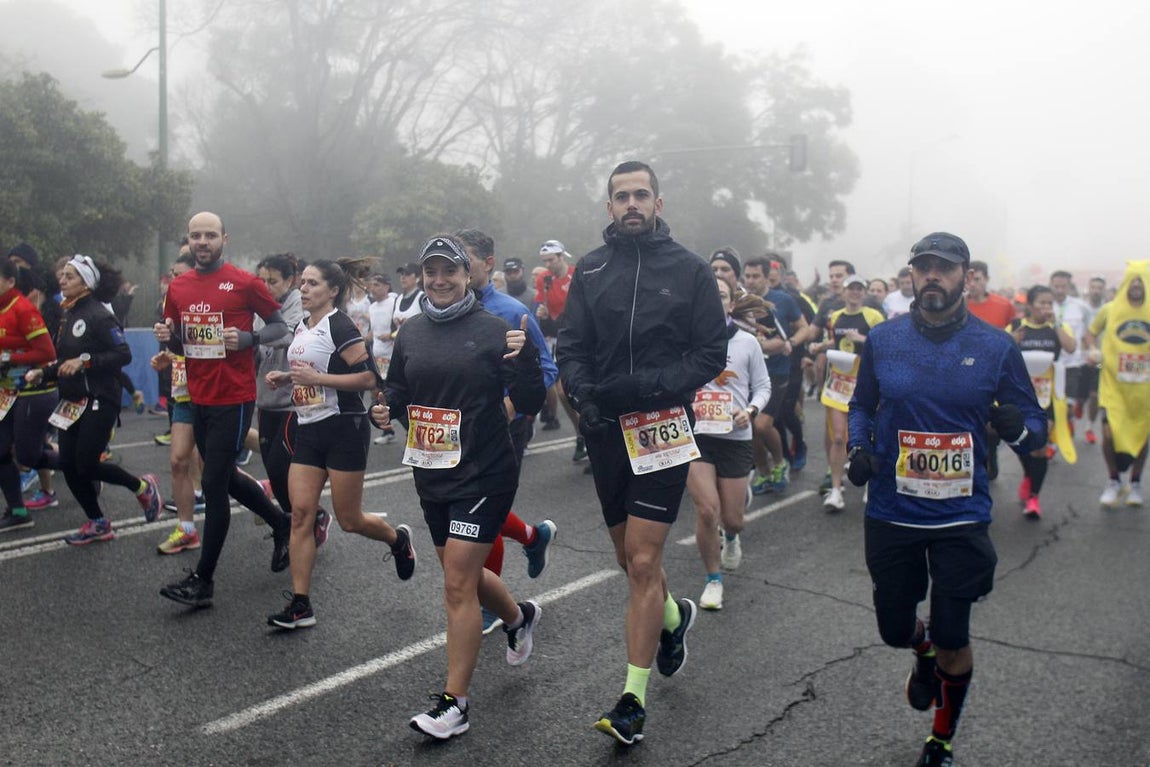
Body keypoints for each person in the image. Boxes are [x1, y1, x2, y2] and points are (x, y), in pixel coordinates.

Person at [846, 232, 1046, 767]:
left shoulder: (996, 346)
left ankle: (941, 739)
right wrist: (858, 448)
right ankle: (920, 649)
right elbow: (861, 406)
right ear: (912, 275)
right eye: (924, 267)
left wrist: (1018, 430)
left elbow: (1035, 425)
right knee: (893, 628)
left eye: (945, 268)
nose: (933, 276)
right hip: (893, 508)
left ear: (965, 277)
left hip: (961, 513)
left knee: (955, 634)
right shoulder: (885, 341)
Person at [557, 160, 727, 746]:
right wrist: (582, 394)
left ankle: (632, 699)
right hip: (604, 426)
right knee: (629, 564)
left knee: (645, 561)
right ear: (608, 206)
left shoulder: (689, 271)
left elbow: (709, 354)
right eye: (621, 196)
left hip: (660, 425)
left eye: (641, 194)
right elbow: (572, 344)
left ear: (658, 201)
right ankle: (674, 619)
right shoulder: (591, 268)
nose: (632, 204)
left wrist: (648, 387)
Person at [372, 234, 545, 740]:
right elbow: (399, 391)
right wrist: (384, 409)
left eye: (451, 271)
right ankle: (518, 617)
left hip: (485, 471)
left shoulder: (497, 329)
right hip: (432, 470)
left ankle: (457, 704)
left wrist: (525, 359)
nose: (441, 280)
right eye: (432, 272)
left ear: (468, 275)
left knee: (455, 584)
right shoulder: (412, 332)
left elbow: (532, 396)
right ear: (423, 276)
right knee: (458, 572)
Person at [265, 258, 416, 629]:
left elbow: (368, 379)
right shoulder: (303, 325)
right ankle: (301, 604)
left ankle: (397, 539)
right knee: (300, 514)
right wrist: (288, 377)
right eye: (302, 283)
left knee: (349, 520)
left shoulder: (340, 324)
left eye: (313, 283)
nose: (304, 288)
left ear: (332, 291)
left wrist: (318, 377)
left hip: (344, 428)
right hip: (308, 428)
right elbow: (313, 376)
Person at [154, 211, 294, 608]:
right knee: (224, 477)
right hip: (196, 395)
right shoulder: (178, 287)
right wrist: (169, 337)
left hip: (233, 397)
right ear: (188, 240)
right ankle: (282, 522)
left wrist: (248, 337)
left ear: (223, 239)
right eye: (196, 235)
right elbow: (183, 345)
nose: (202, 241)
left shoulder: (245, 282)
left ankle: (204, 580)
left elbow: (280, 327)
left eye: (210, 235)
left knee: (213, 483)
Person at [455, 228, 560, 632]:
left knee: (483, 511)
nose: (456, 269)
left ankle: (488, 600)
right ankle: (533, 538)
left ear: (487, 264)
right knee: (472, 507)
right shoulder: (443, 309)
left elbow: (547, 368)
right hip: (459, 428)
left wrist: (512, 405)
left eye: (464, 259)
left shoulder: (511, 310)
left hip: (505, 429)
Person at [27, 256, 163, 543]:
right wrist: (43, 373)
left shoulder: (99, 315)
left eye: (70, 276)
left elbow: (123, 354)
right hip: (71, 402)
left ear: (86, 284)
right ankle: (98, 522)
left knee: (87, 465)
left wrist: (84, 361)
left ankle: (142, 486)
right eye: (62, 275)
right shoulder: (68, 315)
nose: (62, 280)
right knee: (69, 463)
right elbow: (66, 361)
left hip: (99, 399)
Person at [687, 280, 770, 610]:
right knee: (707, 510)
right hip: (697, 436)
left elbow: (763, 387)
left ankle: (732, 537)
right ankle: (713, 580)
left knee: (732, 519)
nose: (712, 300)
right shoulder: (686, 339)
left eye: (720, 295)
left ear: (731, 305)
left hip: (735, 438)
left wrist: (749, 411)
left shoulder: (747, 343)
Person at [810, 273, 884, 511]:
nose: (854, 292)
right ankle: (835, 490)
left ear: (864, 292)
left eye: (858, 289)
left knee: (869, 435)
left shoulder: (873, 316)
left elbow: (883, 345)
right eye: (850, 288)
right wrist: (819, 347)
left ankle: (870, 485)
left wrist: (861, 338)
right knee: (839, 437)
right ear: (843, 292)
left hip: (864, 383)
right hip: (838, 383)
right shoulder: (836, 317)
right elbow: (835, 342)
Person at [150, 252, 206, 553]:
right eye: (172, 274)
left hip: (214, 390)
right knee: (178, 460)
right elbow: (178, 344)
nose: (174, 280)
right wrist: (167, 354)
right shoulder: (171, 301)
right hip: (184, 390)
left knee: (217, 464)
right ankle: (186, 530)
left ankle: (273, 479)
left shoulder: (210, 297)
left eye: (180, 274)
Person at [1084, 261, 1150, 507]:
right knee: (1109, 435)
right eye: (1132, 279)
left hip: (1144, 389)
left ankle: (1135, 484)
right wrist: (1092, 348)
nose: (1136, 285)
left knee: (1143, 437)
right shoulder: (1110, 310)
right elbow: (1091, 332)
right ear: (1125, 283)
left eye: (1140, 280)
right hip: (1113, 384)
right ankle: (1113, 481)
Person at [1008, 285, 1077, 518]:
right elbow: (999, 351)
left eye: (1050, 303)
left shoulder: (1056, 327)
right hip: (1020, 395)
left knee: (1040, 446)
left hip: (1047, 398)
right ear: (1029, 305)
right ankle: (1028, 473)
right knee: (1019, 442)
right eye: (1042, 303)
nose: (1047, 308)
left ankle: (1034, 497)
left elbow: (1070, 347)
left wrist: (1056, 324)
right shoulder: (1017, 327)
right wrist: (1011, 340)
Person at [0, 259, 58, 532]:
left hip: (32, 392)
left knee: (28, 456)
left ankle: (85, 469)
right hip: (6, 393)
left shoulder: (22, 308)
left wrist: (9, 357)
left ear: (10, 281)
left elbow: (47, 353)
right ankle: (18, 511)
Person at [534, 240, 575, 434]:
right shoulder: (543, 278)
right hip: (555, 338)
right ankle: (580, 433)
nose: (548, 265)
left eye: (551, 260)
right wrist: (541, 313)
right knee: (562, 392)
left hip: (577, 336)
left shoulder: (575, 274)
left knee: (572, 390)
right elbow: (541, 306)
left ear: (561, 256)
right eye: (544, 261)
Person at [366, 272, 399, 445]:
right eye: (371, 285)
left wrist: (392, 335)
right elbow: (373, 331)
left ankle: (411, 431)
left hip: (393, 356)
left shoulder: (394, 302)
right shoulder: (371, 307)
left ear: (387, 286)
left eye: (377, 285)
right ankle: (388, 431)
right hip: (377, 357)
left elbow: (402, 326)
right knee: (378, 395)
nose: (373, 289)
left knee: (395, 396)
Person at [1080, 276, 1107, 444]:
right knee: (1080, 396)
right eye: (1093, 287)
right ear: (1089, 289)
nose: (1096, 290)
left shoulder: (1108, 309)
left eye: (1099, 287)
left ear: (1103, 290)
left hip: (1100, 358)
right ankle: (1077, 403)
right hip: (1081, 358)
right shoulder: (1080, 308)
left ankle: (1089, 427)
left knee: (1095, 395)